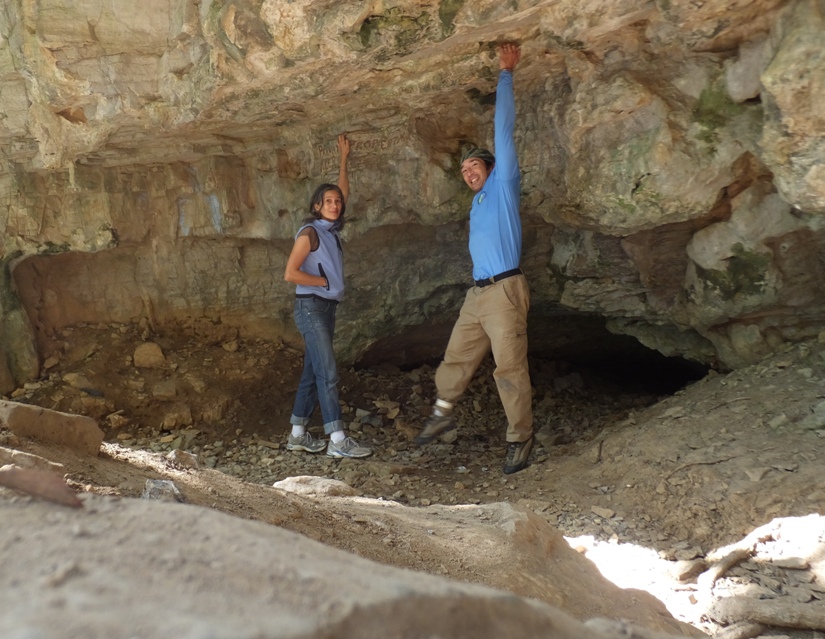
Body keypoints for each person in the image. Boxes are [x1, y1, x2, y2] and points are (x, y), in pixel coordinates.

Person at [414, 43, 533, 475]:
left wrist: (506, 74)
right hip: (478, 293)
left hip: (504, 289)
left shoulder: (503, 186)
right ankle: (442, 412)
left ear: (491, 167)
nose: (468, 173)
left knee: (509, 366)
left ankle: (520, 438)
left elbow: (503, 131)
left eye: (474, 166)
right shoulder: (478, 202)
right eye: (463, 171)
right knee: (455, 358)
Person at [283, 133, 372, 459]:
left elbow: (343, 191)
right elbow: (290, 273)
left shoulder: (330, 229)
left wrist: (344, 159)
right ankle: (337, 439)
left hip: (325, 308)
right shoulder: (310, 232)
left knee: (313, 370)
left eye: (337, 202)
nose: (335, 204)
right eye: (328, 201)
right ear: (316, 207)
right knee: (329, 372)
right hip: (311, 307)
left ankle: (297, 434)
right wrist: (319, 281)